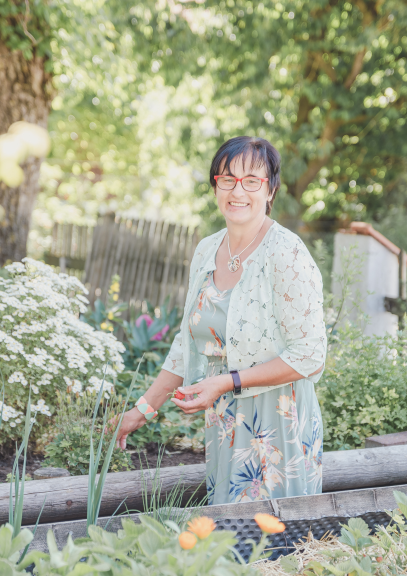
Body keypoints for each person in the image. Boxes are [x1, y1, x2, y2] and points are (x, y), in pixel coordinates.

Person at [116, 136, 327, 505]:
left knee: (273, 550)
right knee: (228, 549)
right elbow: (188, 345)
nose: (237, 190)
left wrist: (227, 383)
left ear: (271, 189)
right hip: (226, 425)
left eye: (251, 180)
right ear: (216, 186)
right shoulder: (206, 250)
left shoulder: (287, 252)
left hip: (278, 426)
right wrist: (142, 410)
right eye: (226, 179)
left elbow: (310, 355)